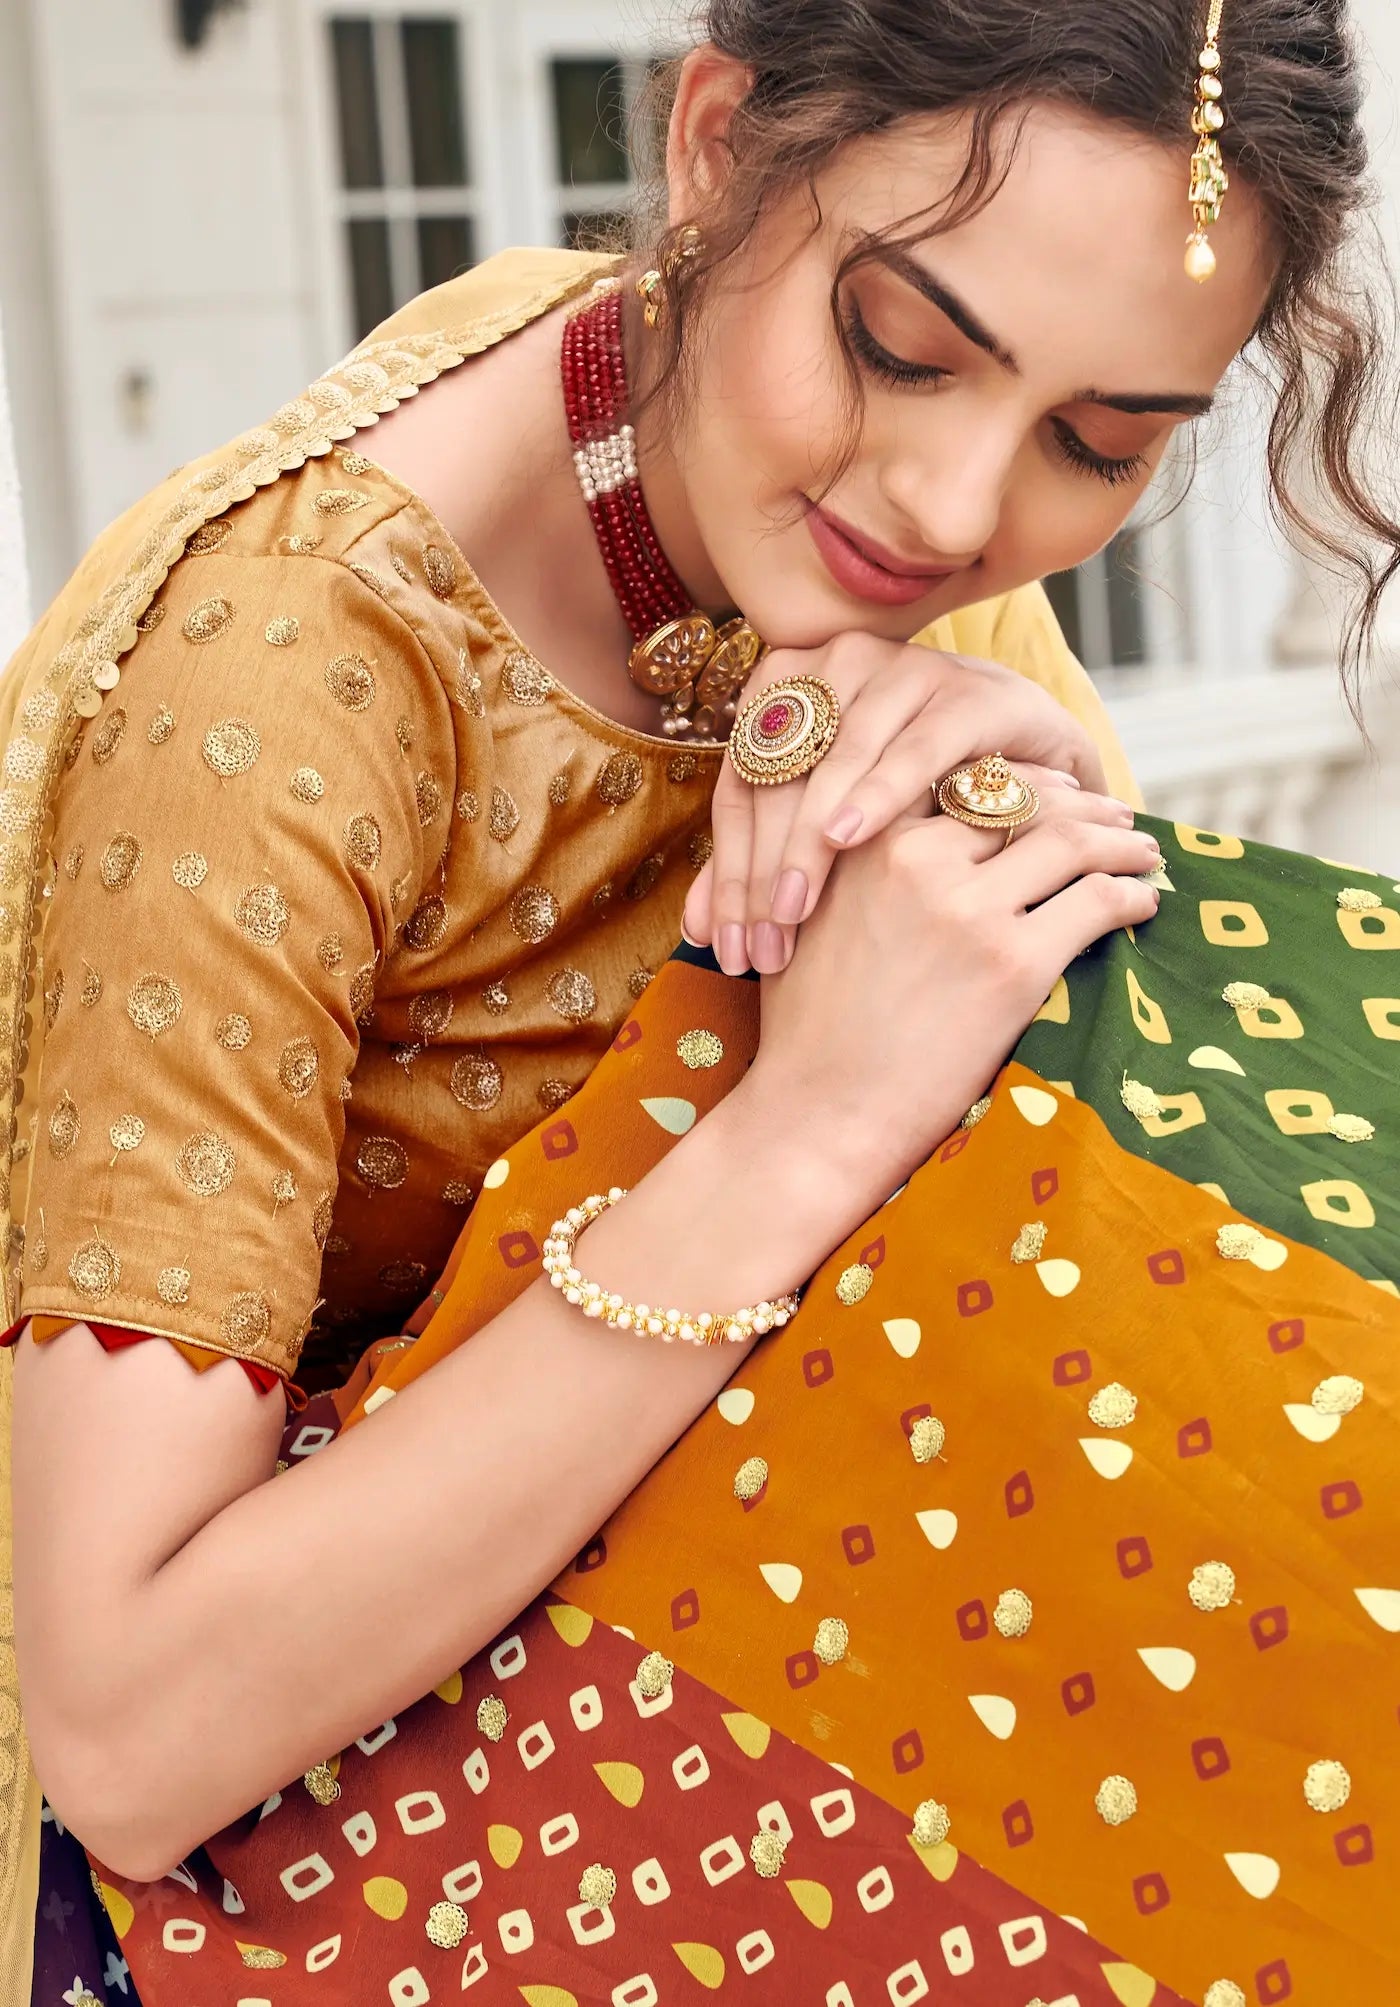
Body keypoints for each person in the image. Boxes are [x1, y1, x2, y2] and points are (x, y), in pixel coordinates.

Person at [0, 0, 1394, 1996]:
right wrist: (798, 1131)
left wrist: (1024, 797)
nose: (953, 509)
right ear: (715, 143)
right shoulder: (286, 684)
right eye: (899, 347)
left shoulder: (832, 518)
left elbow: (1035, 1202)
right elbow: (129, 1732)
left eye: (1099, 443)